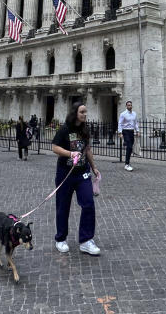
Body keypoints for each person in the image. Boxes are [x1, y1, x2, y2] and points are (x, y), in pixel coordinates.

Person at [51, 103, 101, 256]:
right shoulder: (65, 129)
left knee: (88, 204)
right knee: (63, 207)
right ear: (75, 113)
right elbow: (54, 147)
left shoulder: (85, 129)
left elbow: (87, 150)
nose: (85, 114)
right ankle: (60, 238)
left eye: (86, 111)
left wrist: (94, 167)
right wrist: (70, 153)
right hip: (65, 173)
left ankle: (86, 240)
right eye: (82, 112)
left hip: (82, 173)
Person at [118, 100, 139, 171]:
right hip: (125, 131)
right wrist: (120, 133)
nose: (129, 106)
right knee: (129, 146)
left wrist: (137, 130)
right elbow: (120, 123)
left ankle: (128, 162)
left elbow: (136, 122)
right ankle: (127, 164)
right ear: (126, 106)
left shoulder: (134, 114)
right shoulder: (123, 114)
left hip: (131, 131)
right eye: (128, 105)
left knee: (130, 148)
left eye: (130, 105)